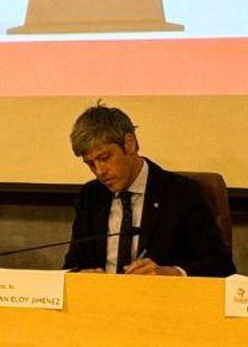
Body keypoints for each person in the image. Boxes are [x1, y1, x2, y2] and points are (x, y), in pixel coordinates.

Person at [62, 104, 234, 277]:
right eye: (90, 164)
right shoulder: (90, 196)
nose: (99, 171)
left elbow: (221, 265)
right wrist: (80, 275)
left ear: (129, 144)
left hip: (163, 299)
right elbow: (72, 265)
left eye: (105, 158)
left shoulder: (181, 193)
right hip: (100, 300)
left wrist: (171, 273)